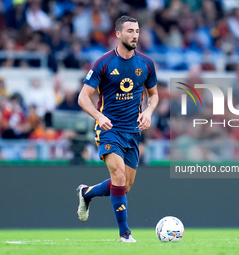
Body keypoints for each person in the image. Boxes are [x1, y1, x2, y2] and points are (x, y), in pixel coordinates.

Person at [77, 15, 158, 243]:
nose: (135, 35)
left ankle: (87, 193)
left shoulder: (146, 63)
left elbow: (155, 95)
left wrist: (149, 112)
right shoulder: (103, 63)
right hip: (109, 129)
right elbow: (83, 98)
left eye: (137, 31)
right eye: (130, 31)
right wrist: (99, 115)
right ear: (118, 34)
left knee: (125, 186)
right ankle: (125, 234)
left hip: (133, 131)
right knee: (118, 176)